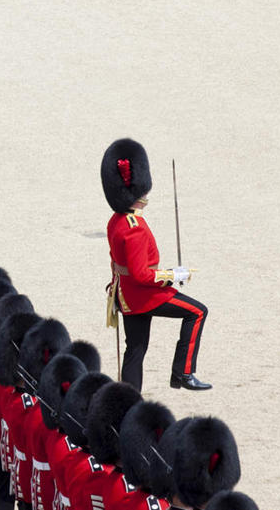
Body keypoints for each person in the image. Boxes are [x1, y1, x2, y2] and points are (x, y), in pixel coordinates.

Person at [101, 138, 211, 391]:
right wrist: (173, 275)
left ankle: (129, 400)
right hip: (144, 296)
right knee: (197, 312)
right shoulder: (135, 228)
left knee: (135, 349)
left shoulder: (116, 221)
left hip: (126, 294)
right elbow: (141, 275)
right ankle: (183, 373)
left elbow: (116, 261)